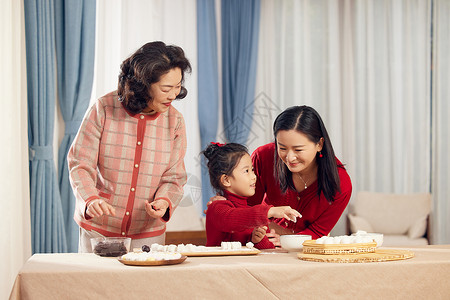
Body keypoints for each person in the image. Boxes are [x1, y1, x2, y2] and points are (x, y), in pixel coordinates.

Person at [68, 41, 191, 252]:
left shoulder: (175, 121)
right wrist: (90, 199)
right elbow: (80, 164)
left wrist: (164, 201)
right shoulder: (104, 109)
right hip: (100, 231)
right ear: (143, 84)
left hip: (148, 235)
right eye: (166, 88)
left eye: (178, 86)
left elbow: (174, 176)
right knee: (95, 285)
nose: (173, 95)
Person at [209, 106, 352, 246]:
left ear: (319, 144)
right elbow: (244, 208)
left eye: (298, 149)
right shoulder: (264, 157)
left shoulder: (340, 183)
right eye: (282, 148)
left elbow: (318, 231)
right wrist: (225, 201)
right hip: (262, 242)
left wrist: (285, 239)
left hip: (304, 248)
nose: (289, 158)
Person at [202, 142, 300, 249]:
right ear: (226, 180)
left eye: (252, 170)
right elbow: (232, 219)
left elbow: (268, 251)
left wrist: (258, 240)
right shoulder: (216, 208)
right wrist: (270, 211)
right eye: (246, 171)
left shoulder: (255, 215)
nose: (254, 176)